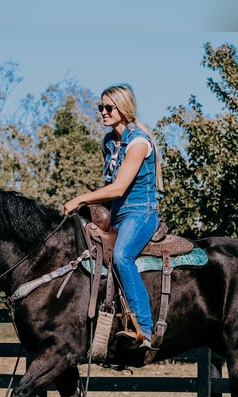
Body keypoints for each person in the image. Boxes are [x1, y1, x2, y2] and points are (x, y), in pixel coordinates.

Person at [63, 83, 162, 349]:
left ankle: (144, 329)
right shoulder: (108, 142)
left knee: (121, 255)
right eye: (101, 107)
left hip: (141, 212)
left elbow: (119, 187)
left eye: (109, 107)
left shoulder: (139, 142)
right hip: (117, 214)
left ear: (124, 108)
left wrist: (81, 198)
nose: (103, 112)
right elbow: (111, 191)